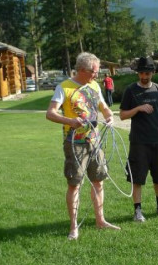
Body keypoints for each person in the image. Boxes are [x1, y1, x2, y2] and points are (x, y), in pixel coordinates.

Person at [46, 52, 120, 240]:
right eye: (94, 71)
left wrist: (109, 116)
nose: (97, 74)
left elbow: (104, 107)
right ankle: (73, 226)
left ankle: (100, 220)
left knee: (98, 181)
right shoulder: (64, 87)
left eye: (97, 71)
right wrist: (70, 121)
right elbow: (50, 113)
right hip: (74, 144)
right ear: (81, 70)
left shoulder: (95, 86)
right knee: (75, 184)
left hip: (95, 141)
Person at [118, 56, 158, 222]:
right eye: (141, 73)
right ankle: (137, 211)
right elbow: (122, 115)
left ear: (153, 73)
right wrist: (138, 108)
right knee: (137, 177)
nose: (144, 76)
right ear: (137, 73)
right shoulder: (130, 90)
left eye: (147, 73)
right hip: (139, 141)